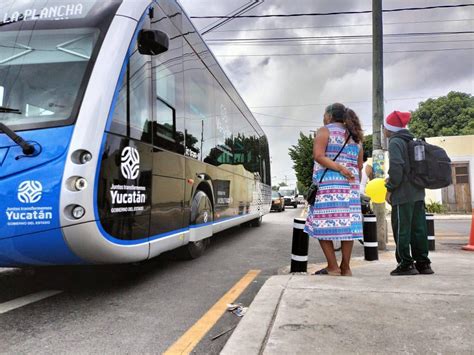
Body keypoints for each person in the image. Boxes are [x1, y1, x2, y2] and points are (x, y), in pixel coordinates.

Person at [304, 103, 364, 276]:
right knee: (349, 227)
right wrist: (347, 168)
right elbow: (359, 165)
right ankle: (346, 267)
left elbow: (318, 155)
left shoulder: (324, 130)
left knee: (321, 224)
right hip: (351, 186)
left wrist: (338, 167)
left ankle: (333, 267)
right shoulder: (356, 136)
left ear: (329, 116)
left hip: (329, 186)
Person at [384, 111, 434, 276]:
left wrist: (390, 188)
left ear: (390, 129)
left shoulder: (395, 142)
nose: (383, 129)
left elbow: (396, 168)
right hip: (418, 193)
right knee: (419, 229)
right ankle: (423, 263)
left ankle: (406, 264)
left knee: (402, 230)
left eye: (385, 126)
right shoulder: (412, 141)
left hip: (402, 194)